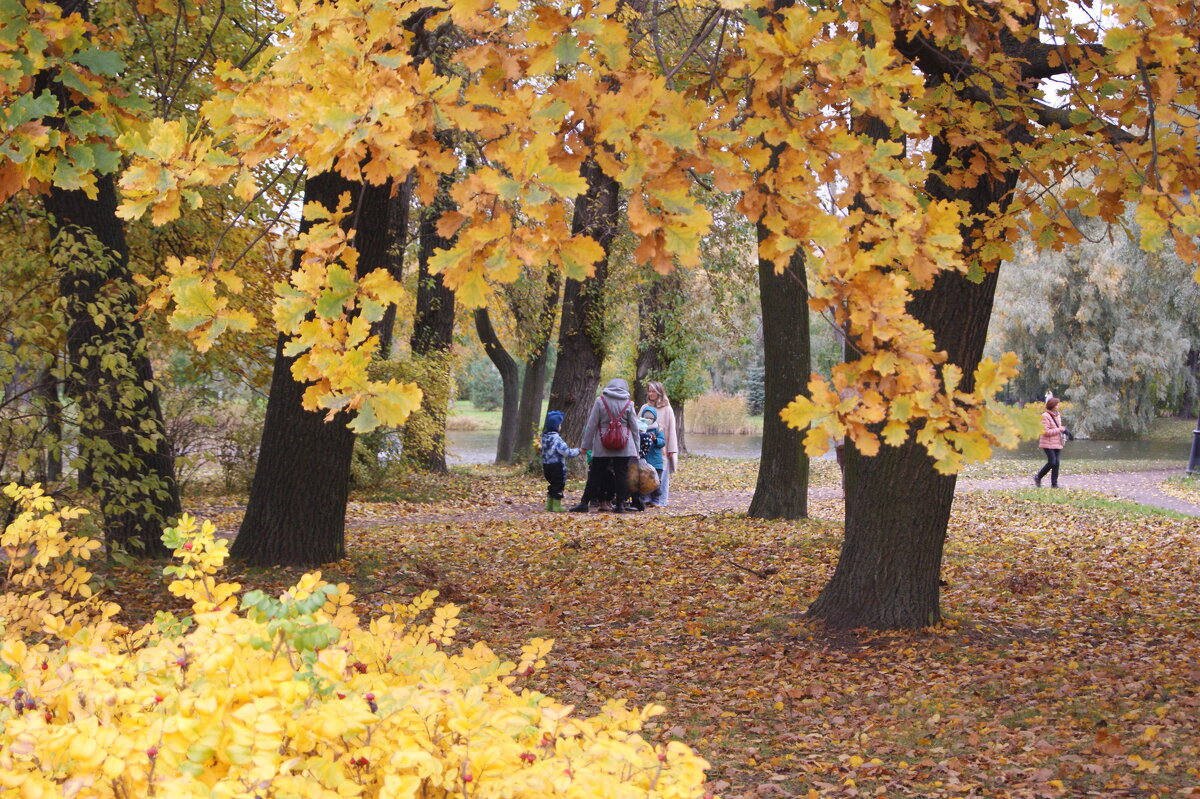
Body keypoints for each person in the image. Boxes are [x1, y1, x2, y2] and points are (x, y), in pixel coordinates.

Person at [570, 378, 641, 513]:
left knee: (596, 474)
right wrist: (637, 449)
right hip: (624, 444)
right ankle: (619, 505)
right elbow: (635, 428)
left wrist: (586, 445)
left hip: (602, 444)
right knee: (621, 474)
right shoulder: (629, 404)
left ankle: (584, 503)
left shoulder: (600, 401)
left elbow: (591, 425)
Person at [641, 381, 678, 506]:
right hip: (646, 448)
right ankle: (646, 498)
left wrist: (671, 449)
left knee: (661, 474)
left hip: (662, 447)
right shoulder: (644, 408)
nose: (651, 394)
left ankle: (660, 500)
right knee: (646, 473)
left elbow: (672, 429)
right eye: (649, 391)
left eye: (653, 391)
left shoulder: (667, 409)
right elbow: (639, 427)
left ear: (659, 392)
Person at [540, 410, 580, 511]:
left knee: (552, 484)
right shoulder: (557, 439)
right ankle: (557, 506)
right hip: (556, 466)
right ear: (556, 426)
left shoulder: (544, 438)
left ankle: (549, 505)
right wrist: (579, 451)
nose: (560, 427)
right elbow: (567, 452)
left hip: (546, 466)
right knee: (559, 485)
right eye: (560, 425)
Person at [637, 405, 667, 507]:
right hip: (645, 458)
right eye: (646, 418)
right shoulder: (640, 427)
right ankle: (645, 498)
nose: (649, 420)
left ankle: (655, 499)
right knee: (645, 478)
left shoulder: (658, 429)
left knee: (657, 479)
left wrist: (655, 440)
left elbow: (662, 442)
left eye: (651, 418)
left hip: (656, 458)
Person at [1035, 396, 1067, 488]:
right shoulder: (1045, 416)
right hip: (1047, 443)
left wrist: (1064, 431)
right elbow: (1045, 432)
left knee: (1057, 463)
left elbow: (1058, 428)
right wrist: (1060, 429)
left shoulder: (1058, 415)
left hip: (1057, 442)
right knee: (1052, 462)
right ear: (1052, 405)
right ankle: (1038, 477)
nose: (1058, 406)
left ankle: (1054, 484)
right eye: (1057, 404)